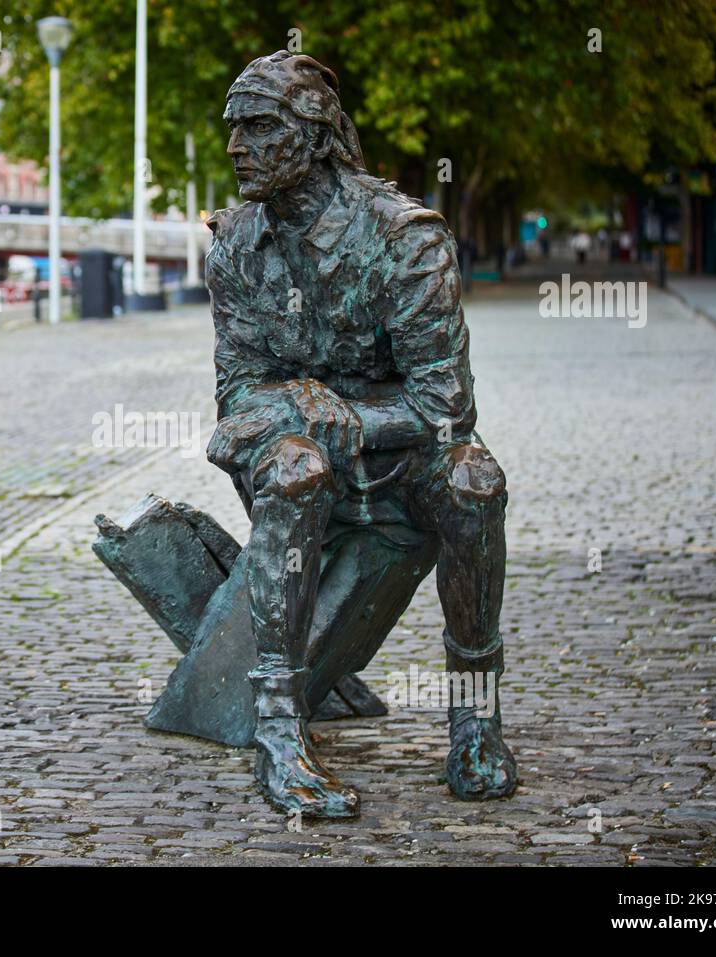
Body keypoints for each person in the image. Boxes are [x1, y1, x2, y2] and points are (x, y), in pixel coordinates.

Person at [205, 51, 516, 817]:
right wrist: (295, 415)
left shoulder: (404, 238)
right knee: (295, 466)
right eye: (233, 128)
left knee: (475, 482)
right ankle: (278, 734)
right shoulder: (235, 243)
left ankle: (476, 717)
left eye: (259, 125)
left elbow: (445, 405)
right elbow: (238, 392)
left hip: (399, 454)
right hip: (293, 449)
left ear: (313, 137)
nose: (237, 145)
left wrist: (351, 419)